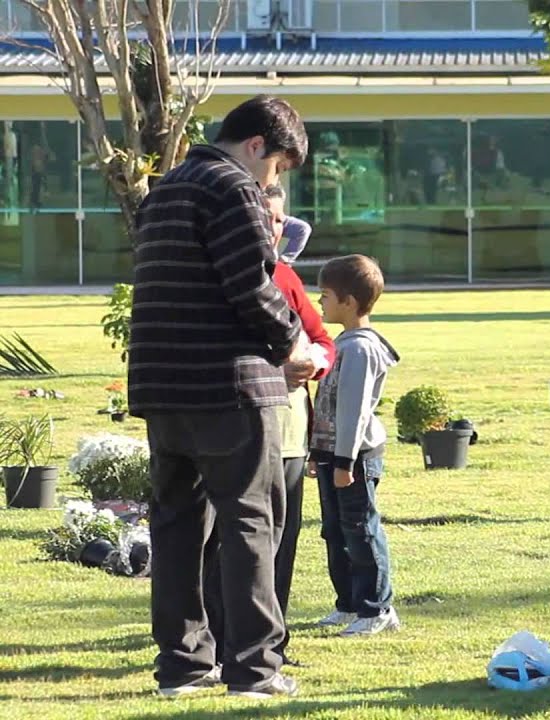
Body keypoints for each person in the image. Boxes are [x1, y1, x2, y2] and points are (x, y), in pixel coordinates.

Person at [129, 94, 309, 699]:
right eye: (276, 166)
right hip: (229, 385)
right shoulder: (234, 188)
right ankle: (255, 669)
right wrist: (293, 343)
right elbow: (251, 285)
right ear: (257, 145)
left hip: (163, 383)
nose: (272, 181)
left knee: (177, 526)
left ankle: (182, 665)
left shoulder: (165, 190)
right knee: (252, 522)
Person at [204, 184, 336, 671]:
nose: (274, 228)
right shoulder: (216, 276)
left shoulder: (286, 276)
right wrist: (271, 373)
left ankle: (271, 645)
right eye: (266, 217)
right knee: (228, 543)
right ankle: (220, 644)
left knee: (281, 543)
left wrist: (313, 363)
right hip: (235, 429)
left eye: (280, 220)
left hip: (289, 435)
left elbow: (322, 339)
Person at [311, 254, 402, 638]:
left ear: (348, 302)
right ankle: (348, 602)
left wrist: (344, 462)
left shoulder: (361, 349)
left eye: (325, 295)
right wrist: (318, 454)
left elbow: (354, 410)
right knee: (335, 532)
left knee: (361, 531)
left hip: (354, 458)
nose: (320, 301)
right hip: (332, 456)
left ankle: (376, 607)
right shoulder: (343, 343)